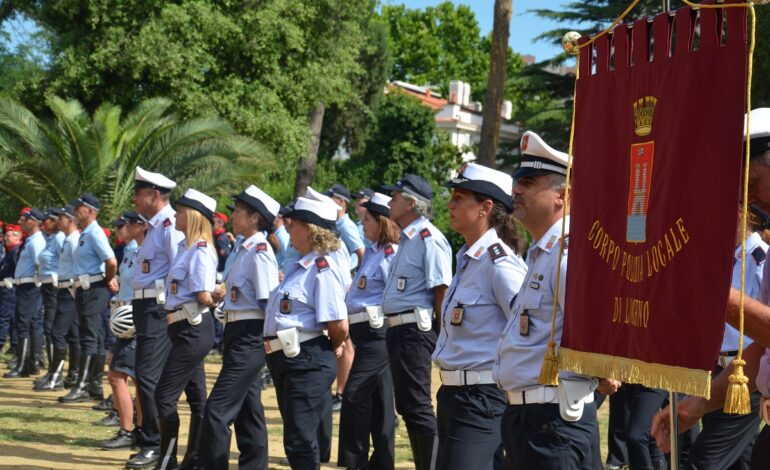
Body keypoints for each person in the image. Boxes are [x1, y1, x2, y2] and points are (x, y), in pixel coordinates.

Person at [494, 131, 599, 469]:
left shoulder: (570, 256)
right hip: (528, 419)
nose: (516, 190)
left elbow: (592, 338)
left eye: (529, 182)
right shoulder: (541, 254)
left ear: (562, 196)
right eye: (517, 181)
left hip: (552, 422)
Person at [433, 163, 528, 470]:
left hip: (482, 397)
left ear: (486, 207)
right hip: (453, 396)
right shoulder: (467, 259)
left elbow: (528, 325)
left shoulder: (499, 264)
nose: (450, 204)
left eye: (459, 198)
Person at [199, 185, 280, 470]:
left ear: (255, 218)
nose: (234, 216)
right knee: (249, 411)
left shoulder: (259, 251)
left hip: (250, 336)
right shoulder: (244, 248)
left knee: (217, 410)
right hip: (237, 332)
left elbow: (268, 300)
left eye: (240, 212)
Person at [264, 195, 348, 469]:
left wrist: (334, 344)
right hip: (286, 359)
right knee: (295, 437)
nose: (287, 227)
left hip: (306, 359)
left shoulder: (322, 268)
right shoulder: (299, 266)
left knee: (300, 439)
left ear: (311, 229)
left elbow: (338, 324)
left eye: (293, 223)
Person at [381, 173, 452, 470]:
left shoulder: (428, 238)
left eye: (395, 197)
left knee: (418, 407)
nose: (389, 201)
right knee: (408, 407)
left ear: (411, 203)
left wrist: (442, 338)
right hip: (399, 329)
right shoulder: (408, 238)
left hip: (415, 329)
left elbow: (442, 292)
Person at [154, 188, 218, 469]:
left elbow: (203, 295)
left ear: (192, 216)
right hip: (182, 329)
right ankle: (194, 459)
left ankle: (168, 460)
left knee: (164, 396)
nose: (176, 215)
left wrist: (220, 293)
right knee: (197, 400)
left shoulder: (201, 250)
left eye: (180, 211)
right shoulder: (185, 247)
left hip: (193, 329)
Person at [128, 166, 185, 469]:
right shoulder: (155, 225)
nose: (134, 199)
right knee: (145, 375)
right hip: (145, 308)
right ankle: (150, 439)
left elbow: (178, 269)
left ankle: (154, 444)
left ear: (154, 195)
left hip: (158, 309)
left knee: (149, 378)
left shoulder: (169, 225)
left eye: (138, 193)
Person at [338, 192, 399, 470]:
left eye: (367, 220)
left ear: (382, 222)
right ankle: (381, 462)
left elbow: (394, 299)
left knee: (353, 395)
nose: (363, 225)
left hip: (378, 335)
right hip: (365, 335)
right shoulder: (374, 252)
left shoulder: (390, 255)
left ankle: (356, 462)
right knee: (381, 403)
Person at [59, 194, 118, 403]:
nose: (75, 211)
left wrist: (107, 280)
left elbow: (110, 260)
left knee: (89, 338)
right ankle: (94, 385)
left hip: (93, 288)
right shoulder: (86, 233)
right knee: (96, 336)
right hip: (86, 288)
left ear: (90, 210)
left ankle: (83, 386)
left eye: (79, 207)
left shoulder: (95, 233)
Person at [34, 205, 80, 391]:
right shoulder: (63, 238)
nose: (56, 221)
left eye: (60, 217)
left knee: (58, 332)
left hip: (67, 289)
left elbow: (80, 264)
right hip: (60, 288)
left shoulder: (67, 238)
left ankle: (57, 376)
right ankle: (67, 374)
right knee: (70, 334)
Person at [4, 208, 47, 378]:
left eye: (27, 219)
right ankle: (30, 363)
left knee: (24, 323)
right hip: (25, 285)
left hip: (31, 286)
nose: (23, 221)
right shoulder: (31, 240)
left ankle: (23, 365)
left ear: (35, 222)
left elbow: (40, 264)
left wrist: (37, 283)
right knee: (28, 323)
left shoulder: (36, 241)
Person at [35, 209, 65, 386]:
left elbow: (67, 260)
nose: (43, 223)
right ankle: (52, 371)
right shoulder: (51, 238)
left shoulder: (60, 237)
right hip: (47, 285)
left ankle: (56, 373)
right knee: (49, 328)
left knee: (52, 328)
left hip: (54, 285)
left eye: (47, 220)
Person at [0, 224, 21, 357]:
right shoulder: (10, 251)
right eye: (5, 235)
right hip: (6, 289)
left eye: (8, 235)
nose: (5, 237)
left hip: (11, 289)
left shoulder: (15, 251)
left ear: (16, 237)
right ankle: (13, 345)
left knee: (5, 318)